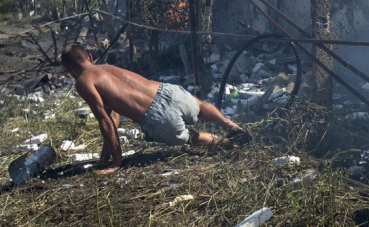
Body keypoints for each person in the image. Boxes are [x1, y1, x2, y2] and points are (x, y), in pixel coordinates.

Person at [61, 44, 243, 175]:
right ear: (90, 57)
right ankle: (228, 124)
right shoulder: (106, 68)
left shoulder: (83, 82)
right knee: (200, 106)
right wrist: (103, 159)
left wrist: (116, 163)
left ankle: (221, 142)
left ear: (68, 69)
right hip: (167, 91)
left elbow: (105, 121)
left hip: (157, 117)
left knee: (190, 137)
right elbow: (113, 116)